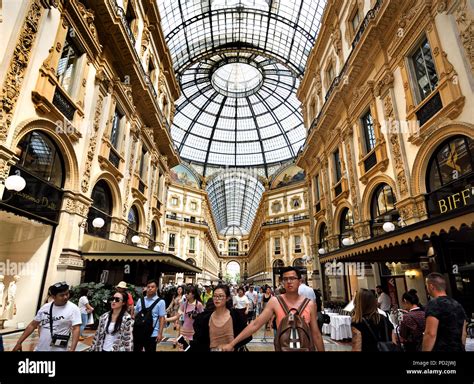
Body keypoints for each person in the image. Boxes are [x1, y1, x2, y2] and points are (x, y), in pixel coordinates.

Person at [220, 267, 325, 351]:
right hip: (283, 347)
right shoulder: (275, 301)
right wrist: (232, 343)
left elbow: (316, 334)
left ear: (299, 281)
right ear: (282, 282)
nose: (289, 282)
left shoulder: (310, 304)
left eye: (292, 278)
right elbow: (255, 324)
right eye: (285, 279)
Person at [12, 282, 81, 351]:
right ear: (53, 297)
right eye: (62, 295)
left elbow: (76, 329)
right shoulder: (45, 307)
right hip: (41, 348)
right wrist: (19, 342)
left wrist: (72, 349)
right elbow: (32, 325)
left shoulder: (73, 308)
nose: (66, 297)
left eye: (67, 294)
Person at [189, 284, 252, 351]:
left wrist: (233, 345)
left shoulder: (236, 316)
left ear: (227, 298)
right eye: (215, 296)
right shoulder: (205, 318)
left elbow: (246, 335)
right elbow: (198, 342)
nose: (217, 298)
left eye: (220, 296)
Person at [422, 272, 467, 352]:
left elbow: (430, 333)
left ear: (431, 286)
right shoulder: (457, 304)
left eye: (426, 285)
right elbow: (463, 333)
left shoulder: (434, 304)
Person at [133, 279, 166, 352]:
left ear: (156, 288)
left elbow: (161, 318)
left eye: (152, 287)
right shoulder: (140, 300)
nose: (150, 288)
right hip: (138, 332)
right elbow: (135, 315)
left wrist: (160, 334)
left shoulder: (161, 302)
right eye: (148, 287)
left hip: (152, 333)